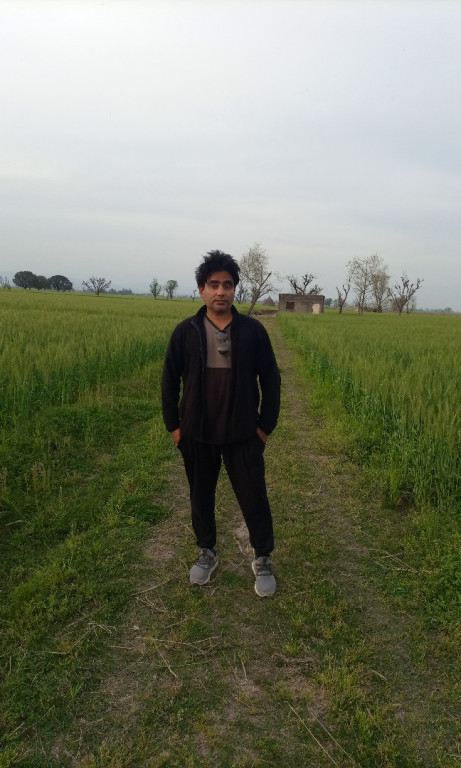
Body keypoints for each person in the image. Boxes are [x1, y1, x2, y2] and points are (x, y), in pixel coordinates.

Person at [161, 250, 281, 597]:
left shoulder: (252, 331)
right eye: (213, 285)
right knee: (200, 495)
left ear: (234, 290)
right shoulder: (186, 332)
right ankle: (207, 551)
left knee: (254, 496)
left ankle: (262, 557)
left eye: (227, 285)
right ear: (201, 289)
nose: (220, 291)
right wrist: (175, 427)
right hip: (197, 433)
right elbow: (169, 380)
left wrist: (264, 427)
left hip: (243, 434)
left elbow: (271, 378)